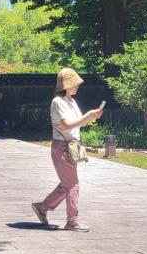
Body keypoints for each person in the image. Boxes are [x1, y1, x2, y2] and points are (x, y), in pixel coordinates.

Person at [31, 68, 103, 232]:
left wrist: (91, 117)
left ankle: (42, 207)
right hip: (63, 147)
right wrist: (88, 115)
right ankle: (72, 221)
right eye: (75, 83)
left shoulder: (71, 101)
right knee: (72, 184)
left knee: (67, 183)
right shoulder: (58, 102)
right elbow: (67, 125)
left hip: (72, 145)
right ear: (66, 85)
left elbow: (78, 124)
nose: (78, 85)